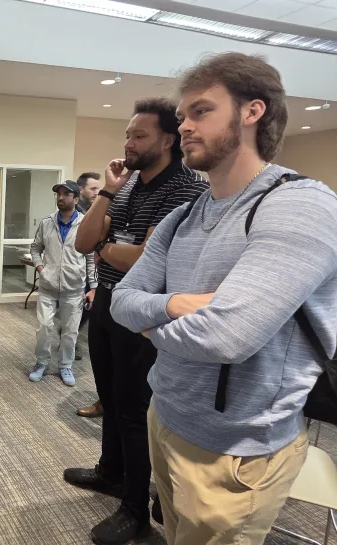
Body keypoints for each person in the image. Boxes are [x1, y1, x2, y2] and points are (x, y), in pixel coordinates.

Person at [111, 52, 337, 545]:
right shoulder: (183, 215)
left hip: (237, 449)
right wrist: (173, 305)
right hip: (165, 415)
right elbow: (120, 299)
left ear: (252, 111)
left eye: (201, 111)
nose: (184, 126)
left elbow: (224, 338)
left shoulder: (300, 205)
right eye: (182, 116)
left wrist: (148, 321)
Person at [67, 98, 208, 544]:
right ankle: (110, 472)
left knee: (133, 409)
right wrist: (108, 191)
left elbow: (148, 260)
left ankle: (135, 509)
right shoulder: (127, 187)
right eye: (127, 134)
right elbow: (82, 242)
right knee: (109, 397)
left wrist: (106, 248)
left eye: (139, 135)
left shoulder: (186, 188)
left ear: (167, 141)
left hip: (147, 311)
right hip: (108, 302)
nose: (128, 143)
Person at [29, 181, 97, 385]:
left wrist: (94, 287)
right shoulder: (47, 223)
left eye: (66, 194)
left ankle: (66, 365)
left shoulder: (85, 224)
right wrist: (41, 269)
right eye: (59, 194)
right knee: (44, 327)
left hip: (74, 288)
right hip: (48, 287)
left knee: (70, 331)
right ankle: (41, 362)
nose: (61, 197)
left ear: (76, 199)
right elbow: (35, 248)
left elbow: (91, 257)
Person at [75, 172, 104, 409]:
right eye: (93, 188)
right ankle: (70, 337)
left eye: (98, 188)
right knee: (82, 310)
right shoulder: (78, 214)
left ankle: (71, 336)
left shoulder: (98, 211)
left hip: (94, 273)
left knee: (85, 309)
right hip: (78, 272)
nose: (96, 192)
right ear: (81, 190)